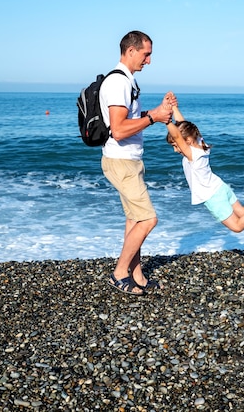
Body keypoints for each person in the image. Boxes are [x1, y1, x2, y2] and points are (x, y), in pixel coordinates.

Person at [100, 30, 174, 296]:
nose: (149, 61)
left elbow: (129, 118)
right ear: (131, 51)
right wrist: (153, 118)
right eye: (146, 54)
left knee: (134, 219)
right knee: (148, 219)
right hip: (121, 162)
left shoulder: (127, 82)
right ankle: (119, 273)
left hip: (128, 160)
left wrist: (156, 112)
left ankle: (137, 274)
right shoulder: (118, 82)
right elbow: (118, 129)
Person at [166, 102, 244, 233]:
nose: (175, 150)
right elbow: (182, 127)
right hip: (219, 187)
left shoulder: (192, 155)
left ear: (187, 141)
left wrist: (165, 120)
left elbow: (178, 135)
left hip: (211, 196)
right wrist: (174, 107)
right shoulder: (200, 143)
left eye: (176, 146)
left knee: (237, 226)